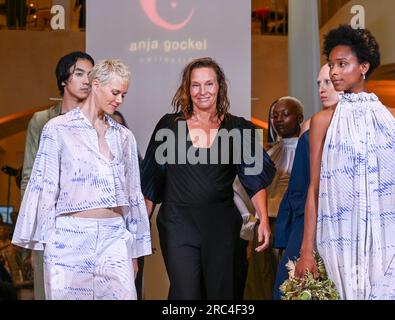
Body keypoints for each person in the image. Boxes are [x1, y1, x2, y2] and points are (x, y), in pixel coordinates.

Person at [295, 25, 395, 300]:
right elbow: (314, 188)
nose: (334, 72)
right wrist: (306, 250)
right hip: (338, 240)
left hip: (387, 242)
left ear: (363, 66)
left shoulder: (394, 119)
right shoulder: (322, 122)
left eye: (342, 64)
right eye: (331, 65)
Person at [12, 59, 152, 300]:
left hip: (114, 236)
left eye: (124, 95)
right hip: (69, 236)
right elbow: (44, 188)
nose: (119, 100)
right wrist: (45, 245)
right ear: (96, 85)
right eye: (115, 92)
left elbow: (133, 194)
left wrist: (134, 253)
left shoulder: (124, 137)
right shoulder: (58, 129)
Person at [141, 57, 275, 300]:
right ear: (187, 88)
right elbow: (151, 181)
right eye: (196, 85)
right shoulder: (169, 126)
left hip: (221, 224)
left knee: (221, 294)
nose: (202, 91)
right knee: (186, 294)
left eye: (209, 84)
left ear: (220, 87)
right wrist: (141, 228)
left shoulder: (238, 128)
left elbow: (253, 177)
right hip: (177, 223)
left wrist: (263, 219)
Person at [20, 51, 94, 300]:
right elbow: (30, 178)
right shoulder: (42, 122)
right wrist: (34, 235)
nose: (86, 81)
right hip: (50, 225)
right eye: (79, 73)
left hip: (88, 226)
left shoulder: (101, 122)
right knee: (49, 292)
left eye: (91, 75)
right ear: (64, 79)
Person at [272, 64, 340, 299]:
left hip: (344, 228)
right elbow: (298, 190)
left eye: (328, 82)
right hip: (307, 225)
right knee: (289, 289)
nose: (322, 88)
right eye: (319, 83)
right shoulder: (310, 128)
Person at [243, 97, 303, 300]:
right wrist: (249, 217)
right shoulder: (268, 153)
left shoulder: (309, 151)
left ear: (299, 117)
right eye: (274, 115)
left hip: (295, 225)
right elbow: (243, 185)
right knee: (260, 282)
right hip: (265, 222)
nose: (279, 119)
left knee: (290, 280)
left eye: (285, 114)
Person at [110, 110, 144, 300]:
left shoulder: (135, 163)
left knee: (131, 288)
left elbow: (138, 206)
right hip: (104, 235)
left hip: (130, 237)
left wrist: (140, 244)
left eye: (120, 126)